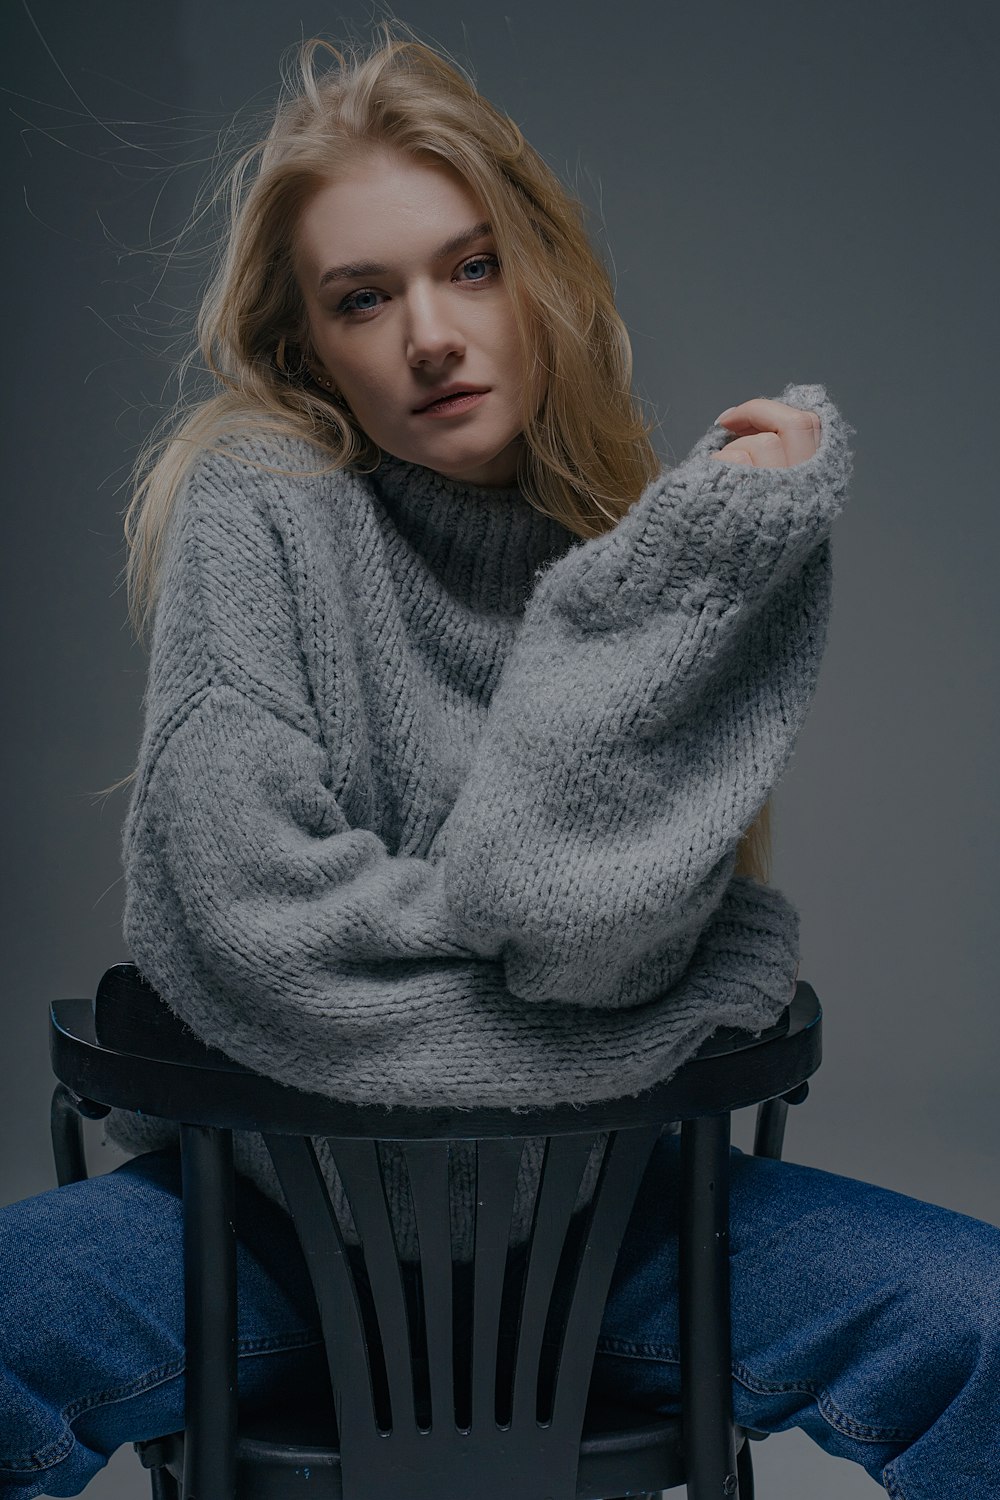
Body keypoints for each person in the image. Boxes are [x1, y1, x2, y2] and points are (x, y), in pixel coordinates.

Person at [1, 24, 996, 1499]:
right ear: (305, 348)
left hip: (611, 1240)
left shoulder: (634, 569)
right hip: (271, 1238)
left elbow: (589, 941)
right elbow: (248, 924)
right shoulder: (260, 508)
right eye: (362, 297)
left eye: (469, 267)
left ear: (540, 274)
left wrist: (710, 564)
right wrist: (618, 1000)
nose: (429, 334)